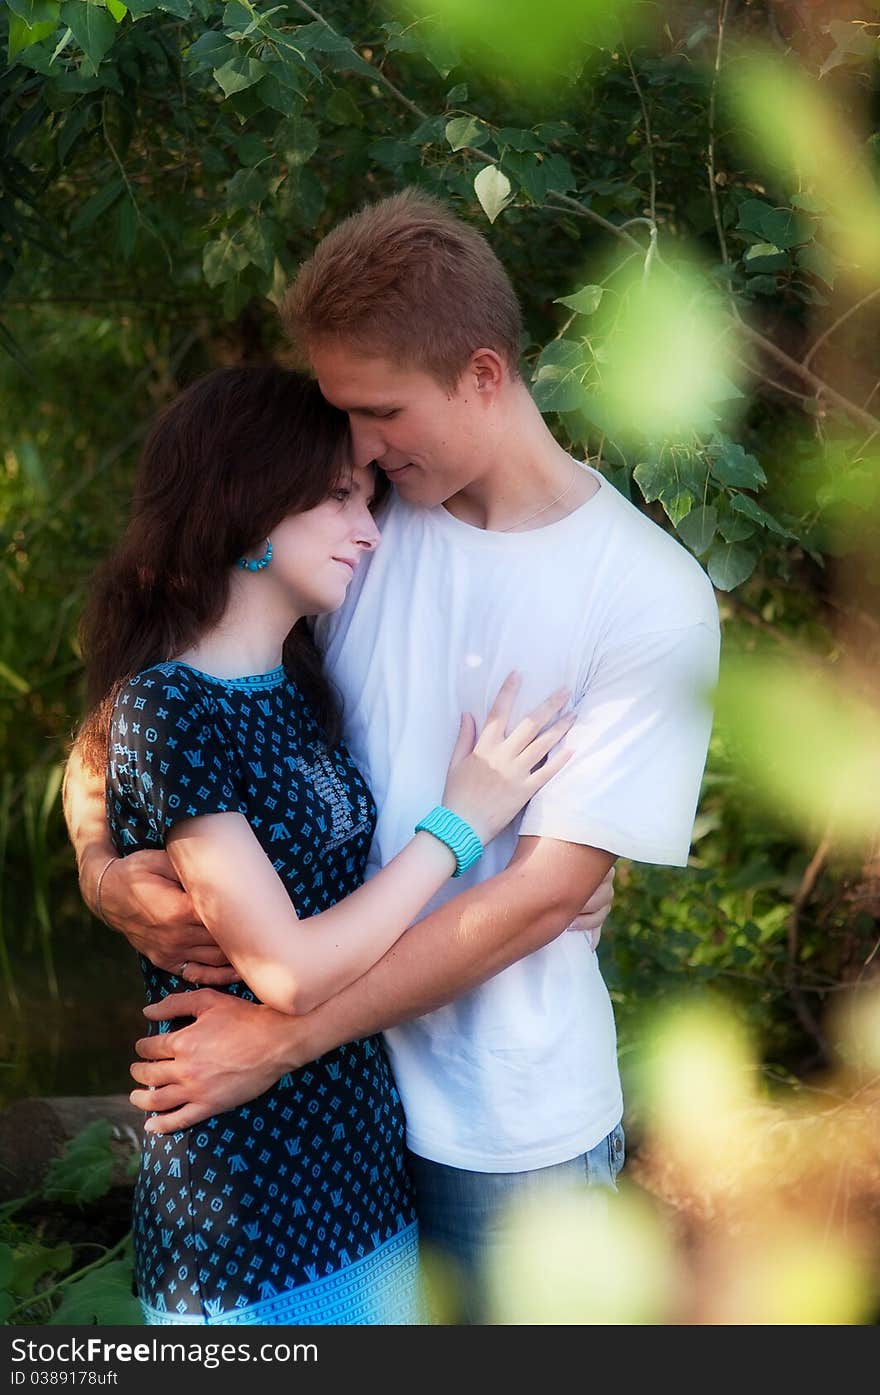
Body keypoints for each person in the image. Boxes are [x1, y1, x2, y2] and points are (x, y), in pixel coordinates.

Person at [65, 190, 720, 1323]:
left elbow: (539, 898)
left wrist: (279, 1037)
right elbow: (146, 695)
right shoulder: (352, 526)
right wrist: (99, 864)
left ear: (481, 375)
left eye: (380, 412)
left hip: (503, 1134)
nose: (357, 449)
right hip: (320, 1136)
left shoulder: (646, 596)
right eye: (341, 416)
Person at [75, 361, 578, 1325]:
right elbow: (291, 973)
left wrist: (554, 873)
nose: (369, 527)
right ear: (249, 508)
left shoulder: (303, 690)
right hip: (246, 1212)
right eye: (339, 498)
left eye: (369, 498)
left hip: (363, 1177)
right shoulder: (170, 705)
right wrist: (461, 822)